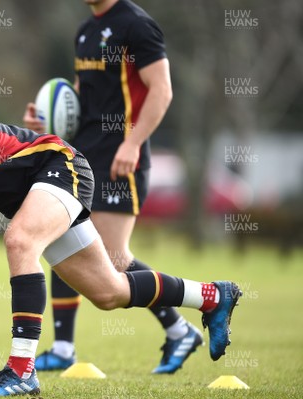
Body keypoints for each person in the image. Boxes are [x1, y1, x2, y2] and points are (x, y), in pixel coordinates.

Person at [0, 100, 241, 396]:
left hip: (58, 165)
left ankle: (21, 370)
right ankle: (210, 296)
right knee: (110, 292)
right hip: (30, 198)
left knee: (19, 240)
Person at [23, 0, 197, 374]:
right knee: (63, 237)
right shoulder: (85, 29)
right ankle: (64, 348)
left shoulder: (137, 25)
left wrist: (132, 144)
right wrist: (46, 118)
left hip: (121, 156)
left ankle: (180, 328)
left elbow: (161, 90)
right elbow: (79, 97)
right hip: (82, 156)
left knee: (115, 257)